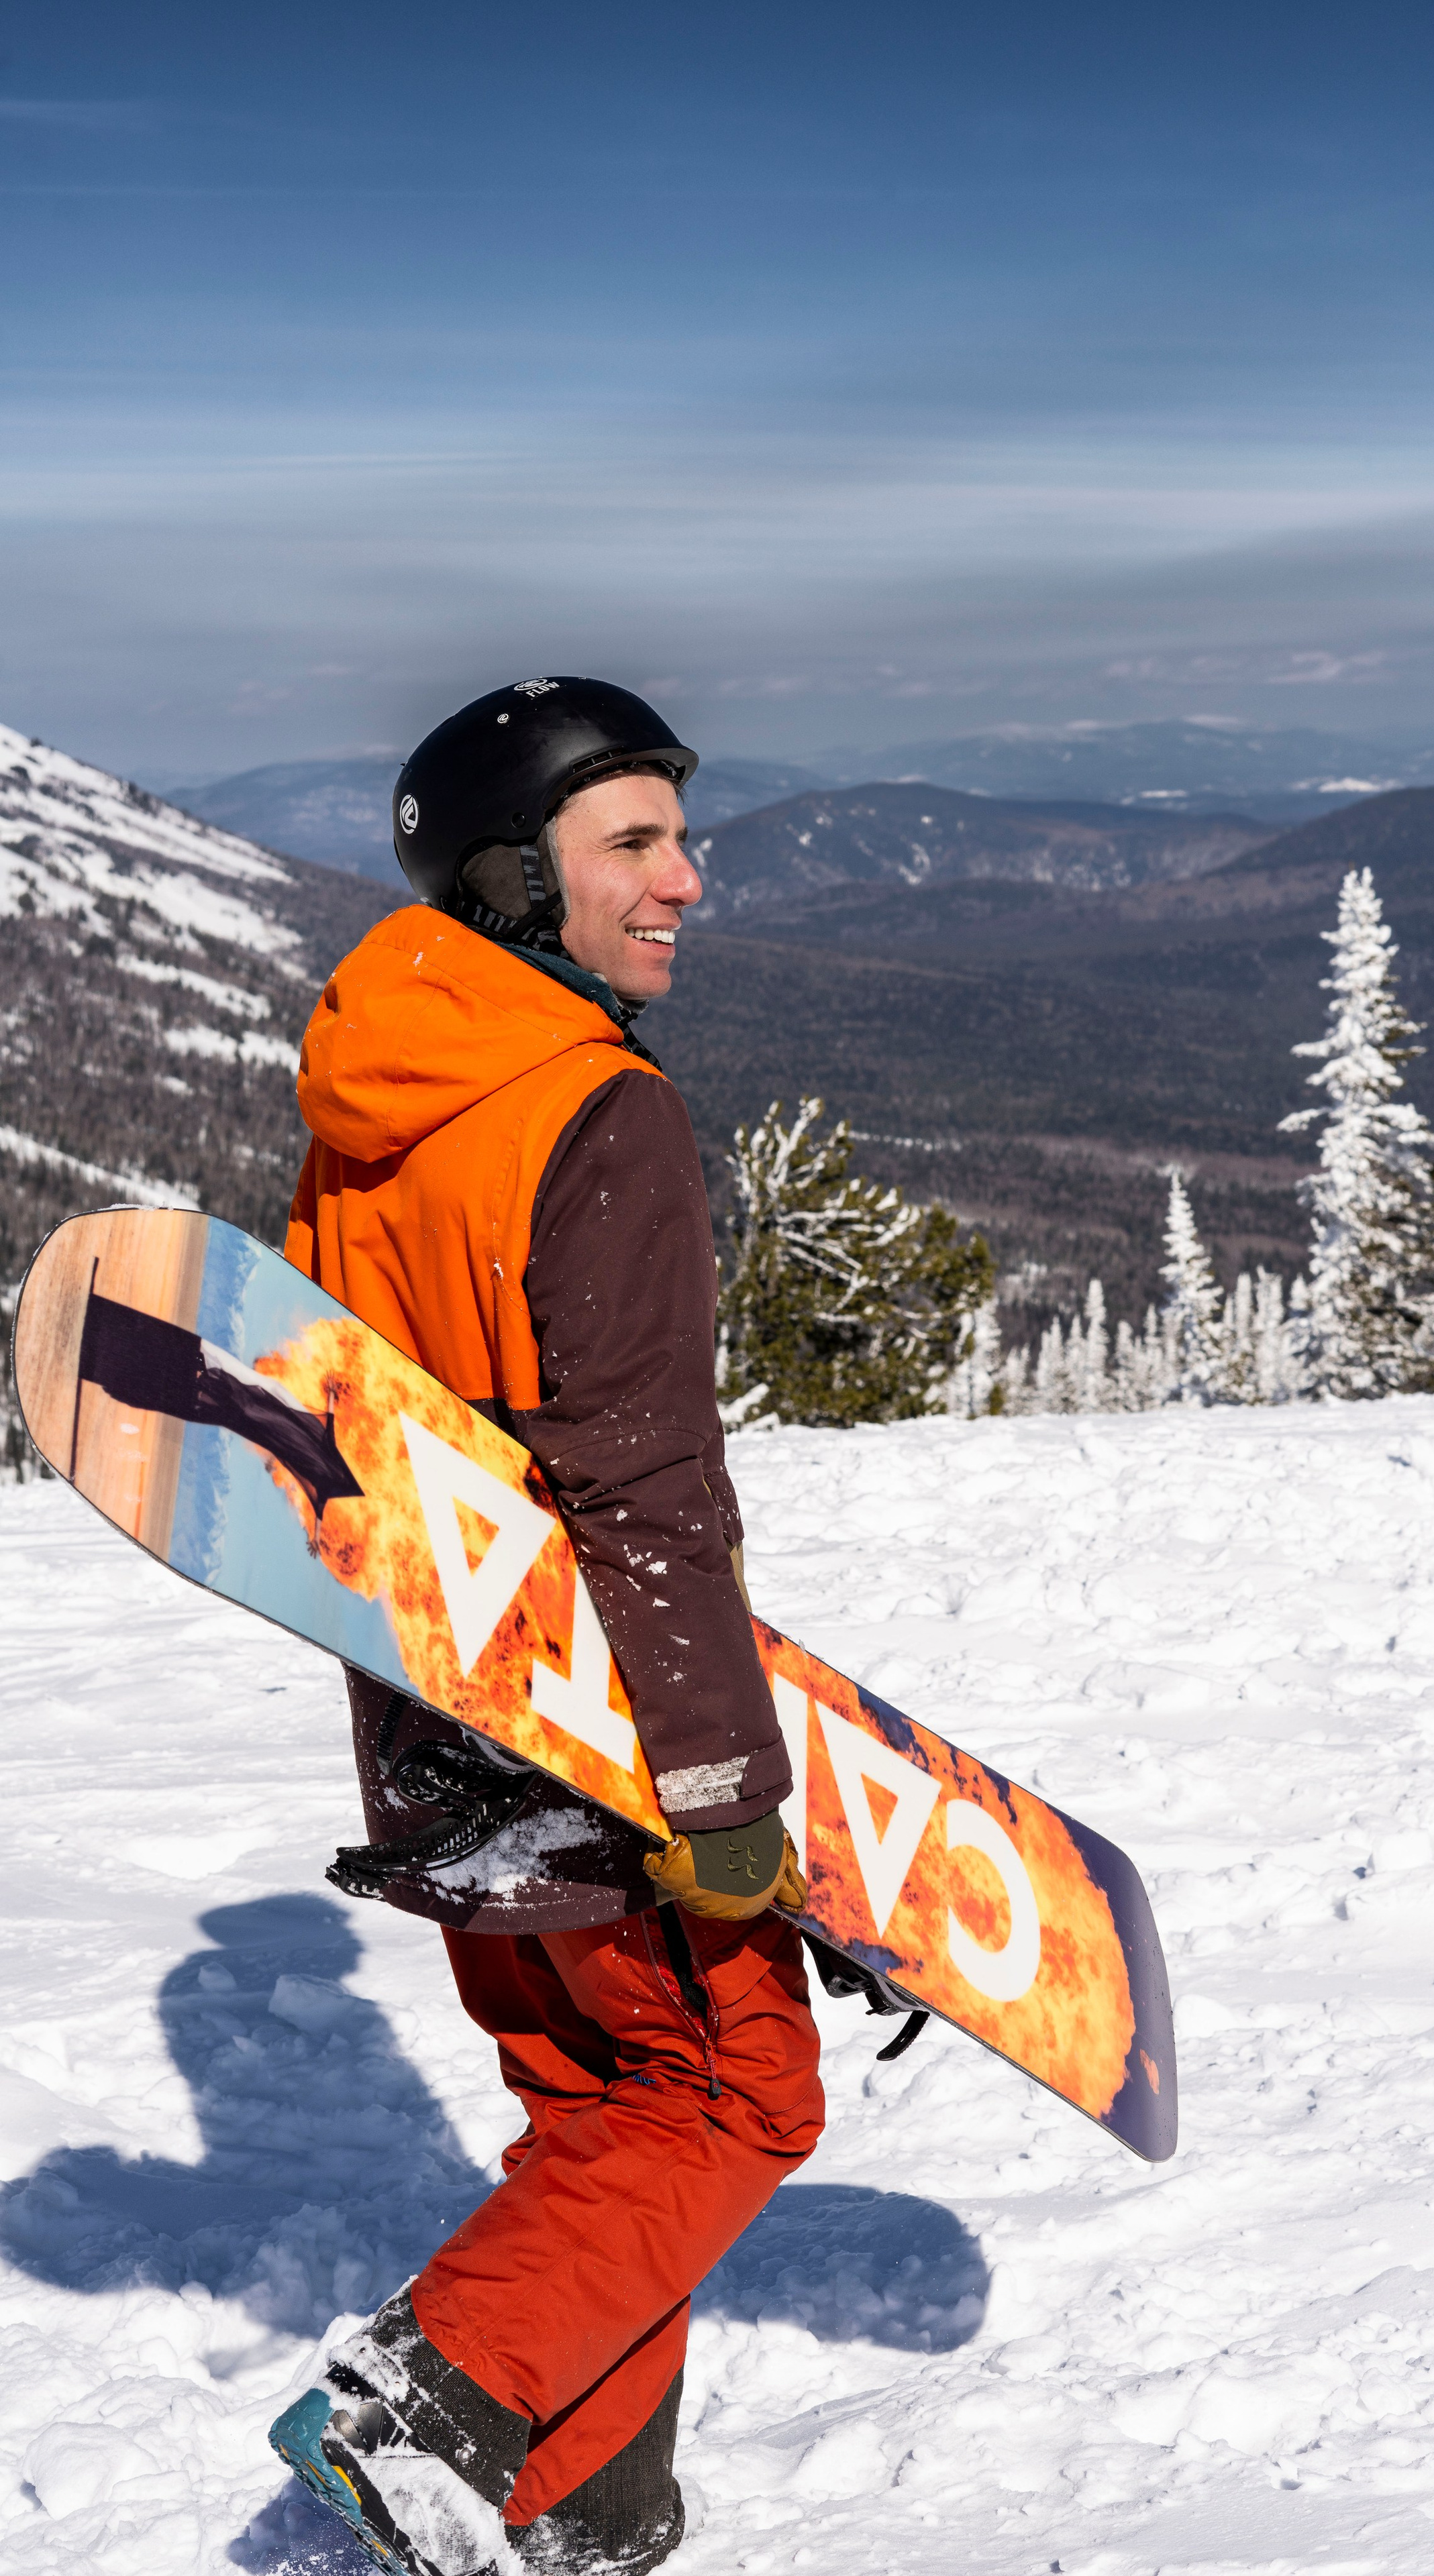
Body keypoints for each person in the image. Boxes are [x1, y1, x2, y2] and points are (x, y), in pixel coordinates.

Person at [268, 678, 825, 2576]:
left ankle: (578, 2507)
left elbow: (332, 1433)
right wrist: (723, 1789)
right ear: (521, 879)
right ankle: (428, 2400)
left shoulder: (372, 1104)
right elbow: (644, 1487)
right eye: (634, 846)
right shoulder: (600, 1115)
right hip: (584, 1725)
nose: (687, 880)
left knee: (602, 2108)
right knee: (737, 2093)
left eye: (679, 835)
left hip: (431, 1714)